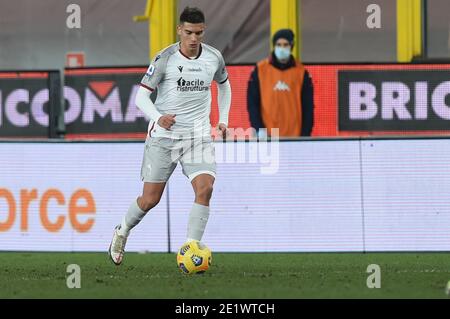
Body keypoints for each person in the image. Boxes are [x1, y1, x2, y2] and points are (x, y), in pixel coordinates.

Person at [108, 6, 231, 265]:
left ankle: (191, 249)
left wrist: (222, 120)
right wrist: (158, 117)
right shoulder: (164, 58)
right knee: (150, 199)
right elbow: (141, 97)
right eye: (189, 32)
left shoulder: (213, 58)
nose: (194, 38)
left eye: (198, 33)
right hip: (164, 137)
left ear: (203, 31)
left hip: (198, 136)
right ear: (179, 30)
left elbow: (224, 85)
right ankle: (122, 230)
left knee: (205, 188)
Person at [247, 28, 314, 137]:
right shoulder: (260, 70)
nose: (282, 48)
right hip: (268, 137)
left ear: (291, 46)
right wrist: (259, 129)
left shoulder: (302, 73)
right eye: (279, 44)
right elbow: (252, 104)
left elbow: (308, 107)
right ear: (274, 46)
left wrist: (305, 135)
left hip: (294, 138)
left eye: (285, 44)